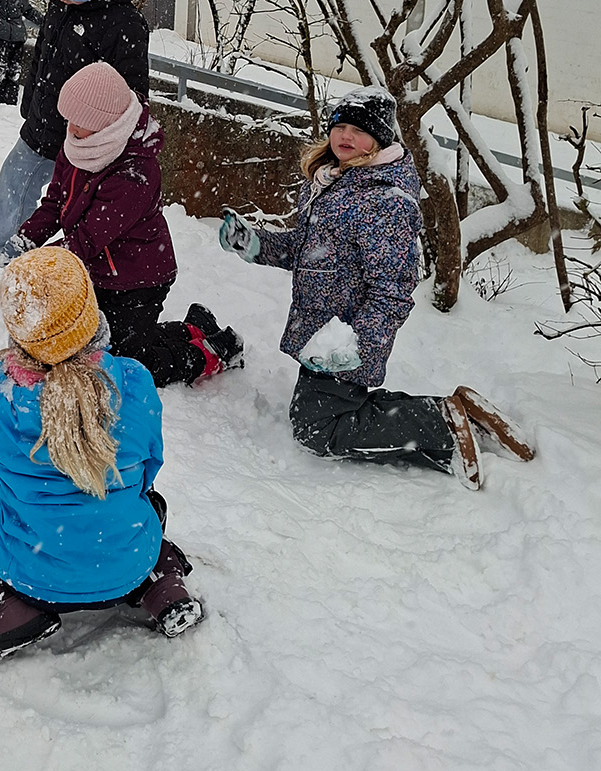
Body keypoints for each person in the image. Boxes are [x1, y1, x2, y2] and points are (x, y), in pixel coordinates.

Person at [218, 87, 537, 489]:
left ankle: (442, 425)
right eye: (340, 126)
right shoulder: (333, 180)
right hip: (322, 331)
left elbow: (392, 290)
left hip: (347, 336)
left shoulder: (385, 200)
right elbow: (308, 249)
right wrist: (258, 244)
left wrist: (357, 344)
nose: (345, 136)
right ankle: (452, 415)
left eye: (358, 129)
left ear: (381, 138)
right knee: (318, 416)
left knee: (317, 430)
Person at [0, 247, 205, 660]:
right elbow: (147, 473)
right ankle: (159, 584)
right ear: (90, 312)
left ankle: (4, 599)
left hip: (31, 574)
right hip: (128, 563)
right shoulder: (135, 381)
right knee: (145, 504)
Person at [17, 62, 243, 386]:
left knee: (130, 363)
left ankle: (215, 353)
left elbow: (88, 238)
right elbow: (55, 203)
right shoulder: (78, 145)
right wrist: (23, 242)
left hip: (138, 277)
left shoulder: (136, 172)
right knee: (100, 344)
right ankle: (193, 329)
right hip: (97, 270)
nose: (69, 127)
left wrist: (36, 266)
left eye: (78, 121)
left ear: (103, 125)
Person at [0, 0, 150, 261]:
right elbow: (43, 53)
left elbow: (131, 95)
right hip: (42, 120)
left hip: (83, 137)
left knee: (72, 208)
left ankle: (34, 264)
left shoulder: (125, 24)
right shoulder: (62, 2)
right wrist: (30, 95)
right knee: (13, 182)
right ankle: (9, 253)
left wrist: (104, 141)